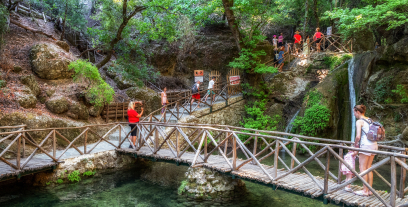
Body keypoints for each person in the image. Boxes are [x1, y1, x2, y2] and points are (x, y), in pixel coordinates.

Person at [353, 104, 377, 197]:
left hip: (365, 146)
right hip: (374, 145)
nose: (354, 114)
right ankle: (369, 190)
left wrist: (355, 144)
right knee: (369, 168)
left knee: (362, 168)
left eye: (354, 112)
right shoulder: (370, 120)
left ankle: (364, 191)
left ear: (358, 112)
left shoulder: (359, 121)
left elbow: (358, 136)